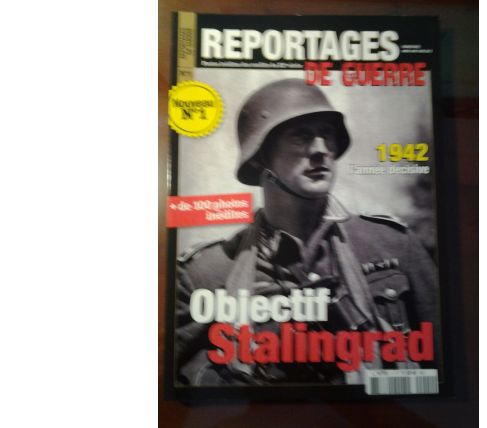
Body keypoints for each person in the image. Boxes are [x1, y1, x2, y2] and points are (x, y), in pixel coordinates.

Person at [175, 78, 440, 386]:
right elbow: (185, 393)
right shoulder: (207, 274)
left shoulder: (392, 245)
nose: (320, 149)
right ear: (260, 158)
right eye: (300, 136)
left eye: (326, 134)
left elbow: (447, 367)